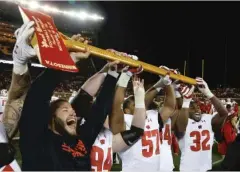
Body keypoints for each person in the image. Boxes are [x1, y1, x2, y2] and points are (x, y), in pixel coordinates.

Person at [17, 21, 117, 171]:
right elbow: (38, 96)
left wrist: (113, 72)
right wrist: (65, 62)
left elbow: (99, 112)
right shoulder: (38, 141)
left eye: (70, 110)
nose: (72, 112)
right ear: (51, 120)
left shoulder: (80, 141)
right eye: (64, 110)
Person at [110, 66, 176, 172]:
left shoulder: (152, 115)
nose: (141, 105)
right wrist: (125, 76)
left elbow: (169, 107)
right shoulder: (126, 119)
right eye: (135, 104)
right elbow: (116, 106)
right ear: (126, 110)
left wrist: (167, 83)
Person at [175, 77, 228, 172]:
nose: (197, 109)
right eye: (192, 107)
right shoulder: (182, 121)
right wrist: (185, 102)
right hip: (188, 169)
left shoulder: (207, 119)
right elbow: (181, 114)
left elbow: (224, 113)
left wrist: (208, 93)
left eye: (197, 106)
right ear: (186, 109)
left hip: (206, 168)